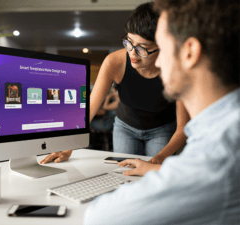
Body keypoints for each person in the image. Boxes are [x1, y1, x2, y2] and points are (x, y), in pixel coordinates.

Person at [83, 0, 240, 224]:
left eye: (163, 48)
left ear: (189, 52)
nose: (160, 64)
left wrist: (161, 167)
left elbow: (99, 218)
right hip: (127, 125)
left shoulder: (217, 155)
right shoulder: (223, 128)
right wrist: (155, 171)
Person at [40, 2, 190, 167]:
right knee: (123, 175)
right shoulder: (114, 62)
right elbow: (90, 107)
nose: (133, 53)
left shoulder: (176, 69)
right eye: (129, 42)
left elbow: (183, 126)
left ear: (162, 46)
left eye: (142, 49)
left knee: (153, 178)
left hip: (162, 129)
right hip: (125, 127)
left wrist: (160, 159)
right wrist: (68, 146)